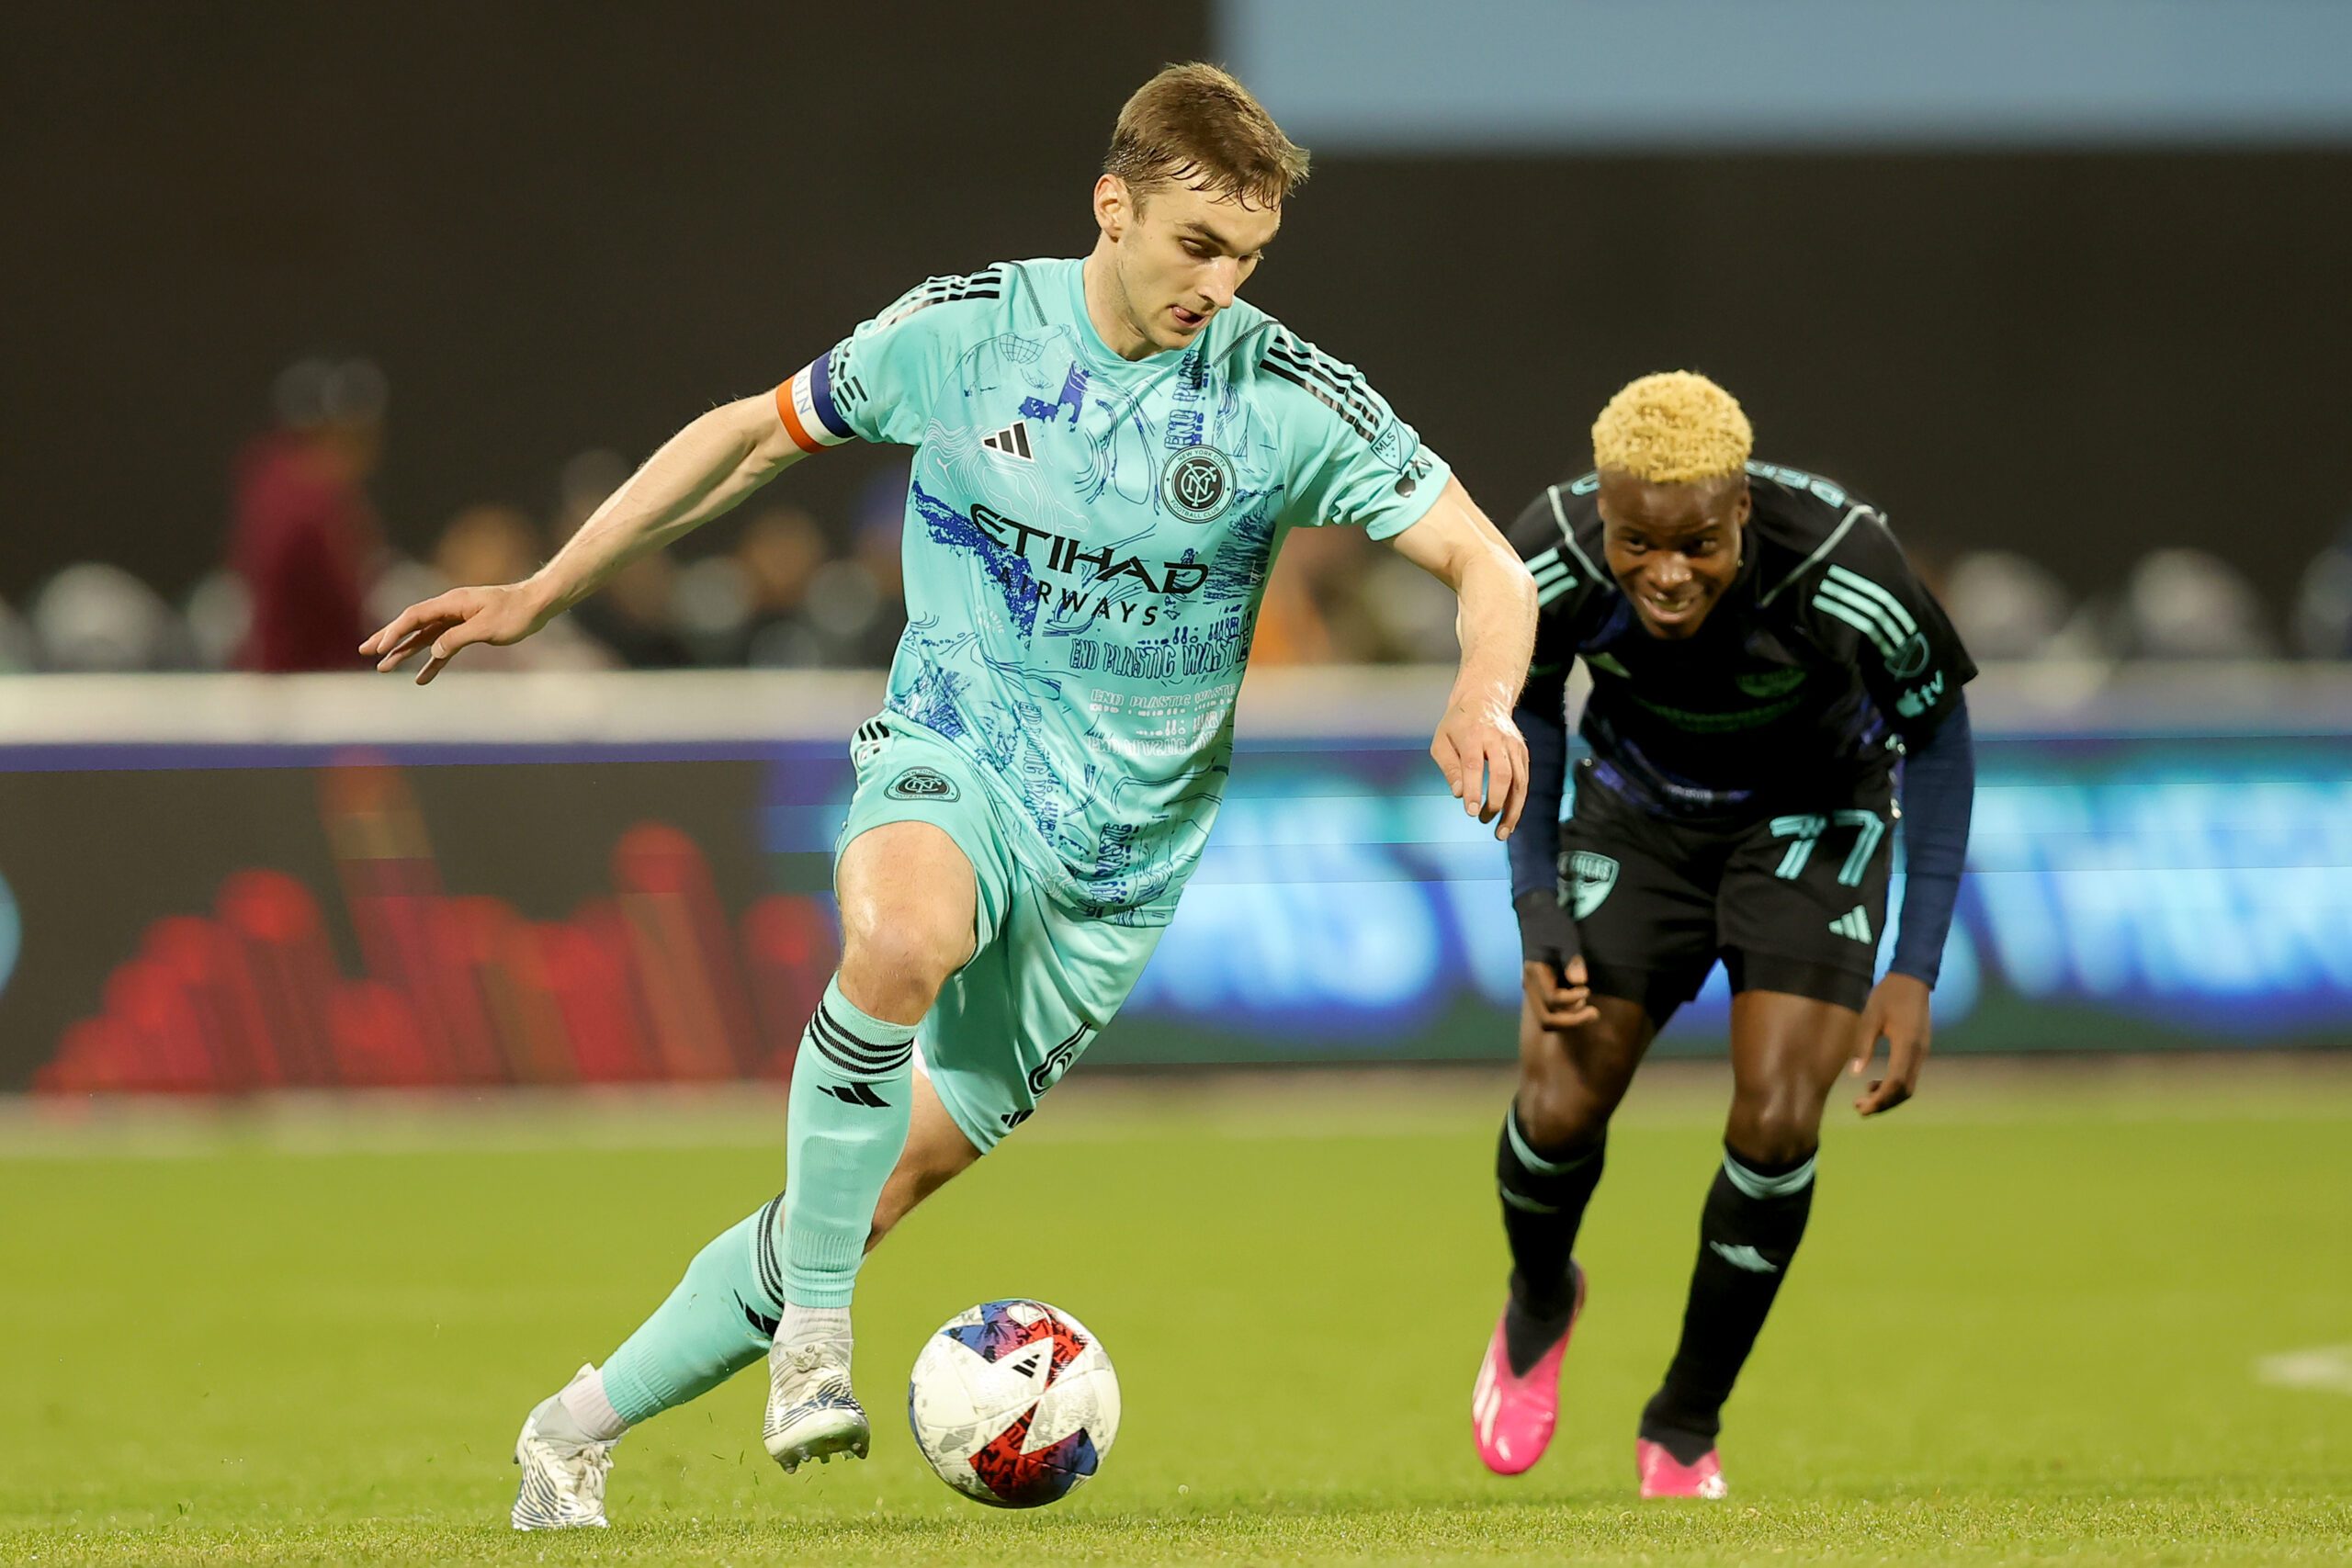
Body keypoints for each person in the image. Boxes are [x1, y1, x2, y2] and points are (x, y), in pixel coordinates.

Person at [359, 62, 1537, 1529]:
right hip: (956, 751)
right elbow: (749, 431)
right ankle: (814, 1343)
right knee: (904, 937)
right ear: (1112, 206)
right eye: (1197, 245)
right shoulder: (969, 333)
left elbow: (1488, 562)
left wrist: (1482, 690)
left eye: (1248, 256)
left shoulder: (1280, 394)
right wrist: (543, 589)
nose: (1220, 285)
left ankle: (570, 1429)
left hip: (1114, 877)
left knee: (863, 1195)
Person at [1468, 373, 1975, 1498]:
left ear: (1741, 507)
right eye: (1636, 542)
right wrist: (1534, 895)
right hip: (1636, 816)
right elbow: (1529, 702)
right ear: (1600, 513)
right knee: (1556, 1106)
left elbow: (1938, 735)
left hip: (1811, 820)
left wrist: (1913, 966)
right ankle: (1541, 1294)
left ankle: (1685, 1421)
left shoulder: (1848, 562)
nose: (1666, 573)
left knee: (1780, 1122)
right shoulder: (1546, 550)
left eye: (1698, 543)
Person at [230, 358, 387, 671]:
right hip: (304, 677)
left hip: (283, 671)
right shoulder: (308, 502)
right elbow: (335, 609)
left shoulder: (268, 478)